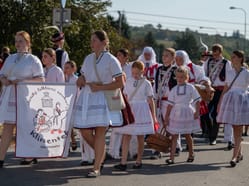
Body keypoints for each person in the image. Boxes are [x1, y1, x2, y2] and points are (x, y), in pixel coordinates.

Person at [74, 30, 124, 178]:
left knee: (100, 132)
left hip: (103, 98)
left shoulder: (111, 59)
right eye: (91, 40)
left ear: (104, 42)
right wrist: (80, 80)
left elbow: (120, 83)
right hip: (88, 97)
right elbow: (83, 75)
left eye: (95, 40)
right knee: (84, 132)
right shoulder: (88, 58)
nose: (92, 43)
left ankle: (96, 168)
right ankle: (100, 155)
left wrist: (100, 87)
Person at [0, 31, 44, 168]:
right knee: (7, 127)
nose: (18, 44)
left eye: (21, 41)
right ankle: (0, 158)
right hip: (10, 96)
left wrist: (23, 81)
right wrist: (5, 80)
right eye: (16, 41)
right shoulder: (10, 58)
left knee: (25, 127)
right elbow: (1, 75)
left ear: (28, 43)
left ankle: (30, 154)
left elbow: (41, 79)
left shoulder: (33, 59)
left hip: (25, 98)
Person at [114, 60, 157, 171]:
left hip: (142, 109)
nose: (135, 75)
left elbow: (150, 100)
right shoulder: (128, 81)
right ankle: (123, 162)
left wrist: (154, 116)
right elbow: (126, 97)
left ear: (143, 71)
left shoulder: (146, 83)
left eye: (137, 73)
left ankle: (139, 160)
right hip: (131, 108)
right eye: (133, 73)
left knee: (140, 136)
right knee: (126, 135)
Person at [217, 50, 249, 167]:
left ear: (240, 58)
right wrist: (220, 103)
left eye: (234, 57)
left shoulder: (246, 73)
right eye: (232, 57)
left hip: (242, 102)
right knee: (235, 128)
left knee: (238, 129)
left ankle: (234, 157)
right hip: (230, 101)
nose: (232, 58)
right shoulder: (229, 72)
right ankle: (239, 153)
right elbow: (225, 88)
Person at [164, 66, 201, 164]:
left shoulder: (190, 87)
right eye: (178, 77)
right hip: (176, 113)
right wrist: (166, 117)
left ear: (186, 77)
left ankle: (191, 154)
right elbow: (170, 105)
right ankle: (171, 157)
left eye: (182, 77)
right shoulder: (174, 89)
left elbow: (197, 100)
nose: (179, 79)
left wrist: (197, 112)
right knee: (174, 136)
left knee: (187, 134)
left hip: (187, 112)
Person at [64, 60, 95, 163]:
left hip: (80, 107)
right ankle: (85, 157)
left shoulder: (77, 80)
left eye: (68, 67)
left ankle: (92, 156)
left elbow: (79, 94)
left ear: (74, 69)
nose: (66, 70)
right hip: (69, 108)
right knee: (82, 134)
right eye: (65, 67)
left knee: (86, 133)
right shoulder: (65, 80)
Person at [203, 44, 233, 146]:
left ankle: (213, 137)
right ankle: (210, 132)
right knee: (205, 112)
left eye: (217, 53)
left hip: (220, 91)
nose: (214, 56)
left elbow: (228, 80)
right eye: (213, 53)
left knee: (216, 113)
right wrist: (206, 83)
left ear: (221, 52)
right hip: (209, 90)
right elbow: (204, 75)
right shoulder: (208, 62)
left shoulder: (226, 63)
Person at [153, 48, 178, 157]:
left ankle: (176, 146)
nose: (164, 57)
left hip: (170, 101)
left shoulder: (176, 69)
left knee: (172, 123)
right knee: (159, 123)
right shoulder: (159, 69)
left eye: (167, 55)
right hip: (159, 99)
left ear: (173, 58)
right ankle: (157, 148)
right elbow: (156, 84)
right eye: (163, 55)